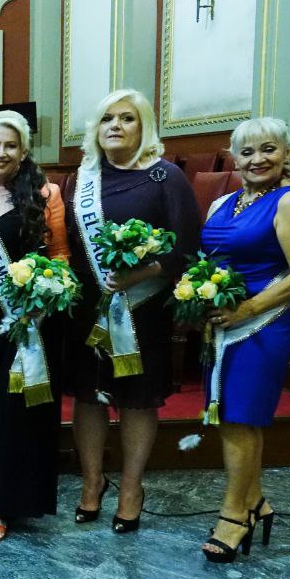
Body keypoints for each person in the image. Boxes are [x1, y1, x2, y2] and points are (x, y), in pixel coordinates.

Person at [64, 89, 200, 533]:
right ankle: (91, 483)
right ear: (95, 128)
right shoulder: (81, 178)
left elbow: (185, 246)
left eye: (127, 118)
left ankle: (130, 489)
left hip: (141, 309)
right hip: (88, 306)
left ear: (144, 127)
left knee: (137, 399)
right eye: (107, 119)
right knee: (88, 397)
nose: (115, 126)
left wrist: (138, 277)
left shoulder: (165, 177)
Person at [198, 117, 290, 562]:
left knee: (239, 414)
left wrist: (248, 308)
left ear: (287, 153)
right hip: (222, 322)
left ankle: (233, 515)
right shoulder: (221, 205)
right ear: (234, 159)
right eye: (247, 152)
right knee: (237, 416)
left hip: (266, 320)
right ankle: (255, 501)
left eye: (268, 149)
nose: (257, 160)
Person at [0, 112, 69, 542]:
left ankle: (2, 503)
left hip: (28, 316)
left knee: (14, 404)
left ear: (23, 151)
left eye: (10, 145)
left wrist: (43, 304)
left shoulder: (46, 193)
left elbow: (60, 256)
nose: (1, 153)